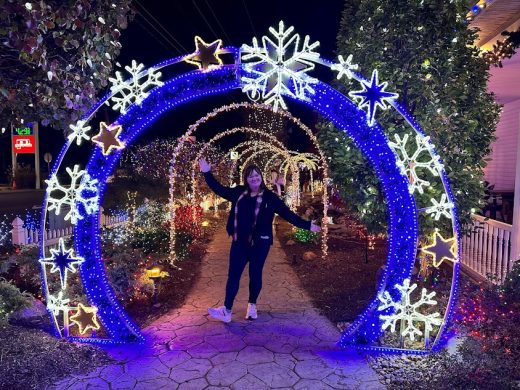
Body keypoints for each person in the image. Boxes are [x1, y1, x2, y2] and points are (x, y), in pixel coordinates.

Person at [199, 158, 321, 322]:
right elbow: (218, 189)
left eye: (256, 175)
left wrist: (307, 225)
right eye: (250, 176)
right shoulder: (239, 193)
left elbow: (287, 214)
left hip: (260, 243)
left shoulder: (270, 198)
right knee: (233, 275)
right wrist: (207, 172)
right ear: (246, 179)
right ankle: (227, 311)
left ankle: (252, 306)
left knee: (255, 274)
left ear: (261, 177)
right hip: (240, 243)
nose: (254, 178)